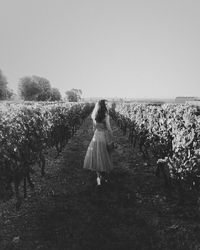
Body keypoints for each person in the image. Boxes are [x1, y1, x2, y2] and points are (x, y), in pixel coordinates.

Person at [83, 99, 114, 186]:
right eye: (106, 105)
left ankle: (98, 176)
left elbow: (94, 128)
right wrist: (112, 135)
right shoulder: (106, 115)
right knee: (105, 153)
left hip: (96, 136)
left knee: (96, 153)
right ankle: (103, 175)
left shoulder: (94, 115)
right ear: (104, 106)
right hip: (104, 136)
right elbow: (108, 127)